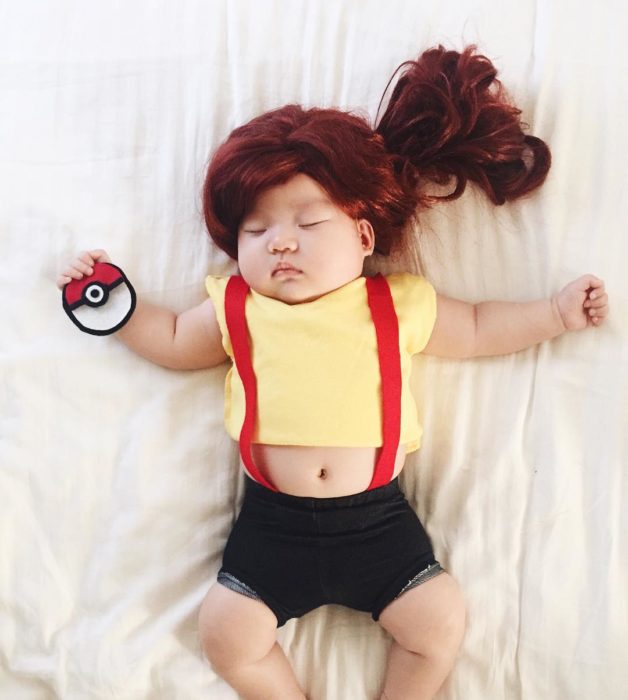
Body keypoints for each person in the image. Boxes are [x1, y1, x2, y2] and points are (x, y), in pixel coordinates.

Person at [57, 46, 609, 700]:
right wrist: (115, 308)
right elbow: (174, 339)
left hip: (377, 524)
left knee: (438, 624)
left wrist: (553, 313)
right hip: (271, 526)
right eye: (255, 230)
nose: (280, 241)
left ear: (364, 237)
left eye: (309, 221)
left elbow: (480, 326)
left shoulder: (393, 304)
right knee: (226, 634)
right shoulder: (238, 307)